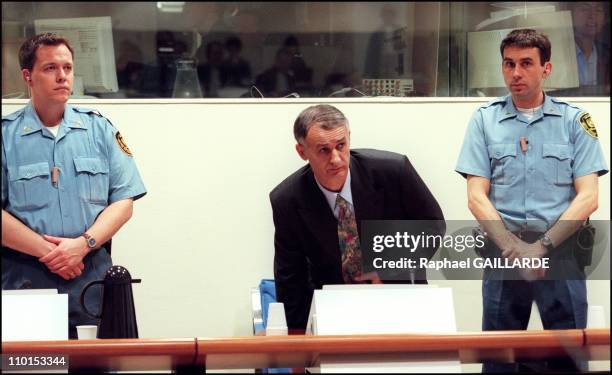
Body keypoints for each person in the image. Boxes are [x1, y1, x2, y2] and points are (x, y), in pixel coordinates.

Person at [455, 29, 608, 371]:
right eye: (509, 64)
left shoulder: (576, 121)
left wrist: (538, 248)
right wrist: (515, 249)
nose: (516, 73)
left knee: (569, 360)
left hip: (561, 254)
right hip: (503, 255)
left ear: (547, 69)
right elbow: (476, 198)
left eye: (526, 63)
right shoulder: (485, 120)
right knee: (498, 361)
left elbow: (589, 197)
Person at [2, 33, 147, 339]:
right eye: (50, 68)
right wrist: (51, 253)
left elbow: (123, 201)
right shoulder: (5, 137)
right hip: (26, 283)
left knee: (96, 368)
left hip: (90, 280)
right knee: (33, 371)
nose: (62, 76)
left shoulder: (99, 129)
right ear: (28, 76)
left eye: (67, 68)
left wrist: (81, 246)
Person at [270, 104, 445, 330]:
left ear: (349, 138)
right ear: (302, 151)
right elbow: (290, 278)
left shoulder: (394, 171)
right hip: (333, 311)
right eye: (323, 150)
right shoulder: (287, 200)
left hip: (399, 297)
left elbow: (433, 227)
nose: (336, 159)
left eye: (341, 146)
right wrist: (296, 348)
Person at [570, 2, 609, 92]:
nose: (592, 16)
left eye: (598, 10)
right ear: (571, 13)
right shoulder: (559, 53)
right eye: (585, 8)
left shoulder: (606, 54)